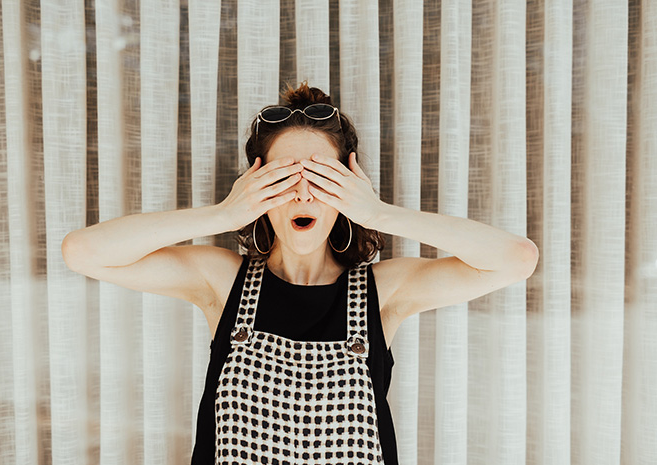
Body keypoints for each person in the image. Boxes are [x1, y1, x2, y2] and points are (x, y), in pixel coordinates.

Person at [62, 82, 538, 464]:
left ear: (347, 190)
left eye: (323, 179)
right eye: (285, 179)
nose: (304, 195)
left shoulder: (385, 291)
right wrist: (223, 215)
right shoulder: (222, 283)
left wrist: (379, 214)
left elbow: (516, 258)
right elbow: (83, 251)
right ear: (257, 186)